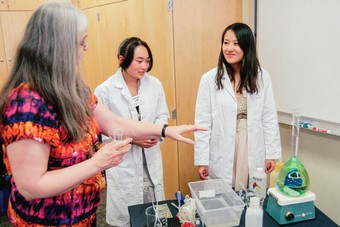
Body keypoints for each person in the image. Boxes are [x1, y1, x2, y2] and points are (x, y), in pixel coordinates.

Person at [0, 2, 203, 226]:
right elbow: (31, 186)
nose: (85, 48)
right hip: (46, 221)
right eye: (81, 42)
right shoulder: (26, 103)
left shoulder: (73, 89)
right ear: (58, 46)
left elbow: (113, 122)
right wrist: (98, 163)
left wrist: (165, 129)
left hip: (83, 215)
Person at [194, 22, 281, 191]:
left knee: (252, 194)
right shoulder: (209, 79)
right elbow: (202, 123)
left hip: (251, 145)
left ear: (247, 46)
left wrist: (271, 154)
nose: (229, 48)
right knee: (222, 198)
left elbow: (268, 117)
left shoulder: (262, 77)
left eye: (236, 43)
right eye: (226, 43)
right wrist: (202, 160)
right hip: (222, 145)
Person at [94, 37, 169, 226]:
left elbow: (162, 117)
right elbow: (101, 134)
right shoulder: (105, 90)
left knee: (154, 217)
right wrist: (134, 140)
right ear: (122, 60)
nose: (144, 66)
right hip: (124, 165)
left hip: (151, 159)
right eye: (139, 61)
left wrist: (153, 135)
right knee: (128, 220)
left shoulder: (155, 85)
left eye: (147, 61)